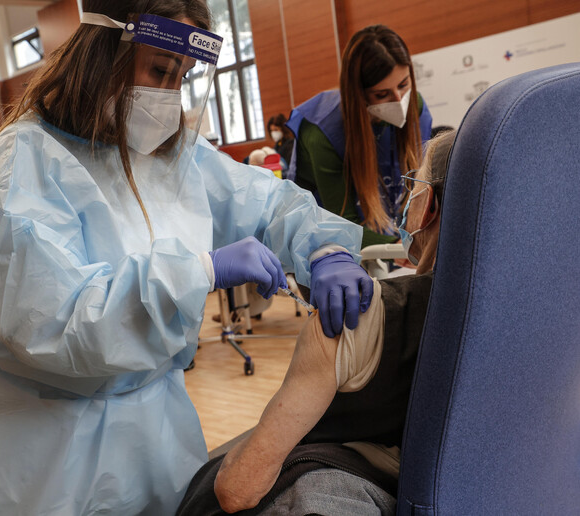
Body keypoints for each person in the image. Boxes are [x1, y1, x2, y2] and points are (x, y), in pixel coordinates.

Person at [0, 1, 373, 514]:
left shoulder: (171, 152)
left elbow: (265, 200)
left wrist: (324, 248)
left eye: (182, 77)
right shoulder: (22, 165)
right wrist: (201, 271)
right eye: (161, 71)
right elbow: (59, 324)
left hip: (156, 434)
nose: (168, 95)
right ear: (103, 51)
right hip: (41, 455)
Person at [176, 130, 456, 515]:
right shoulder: (547, 331)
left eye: (415, 183)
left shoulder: (356, 323)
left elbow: (238, 490)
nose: (410, 195)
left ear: (430, 207)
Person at [286, 25, 433, 249]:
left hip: (387, 232)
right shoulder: (322, 132)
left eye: (404, 85)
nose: (398, 100)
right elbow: (341, 223)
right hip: (326, 240)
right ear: (359, 95)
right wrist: (398, 249)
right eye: (382, 94)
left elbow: (418, 192)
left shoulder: (416, 107)